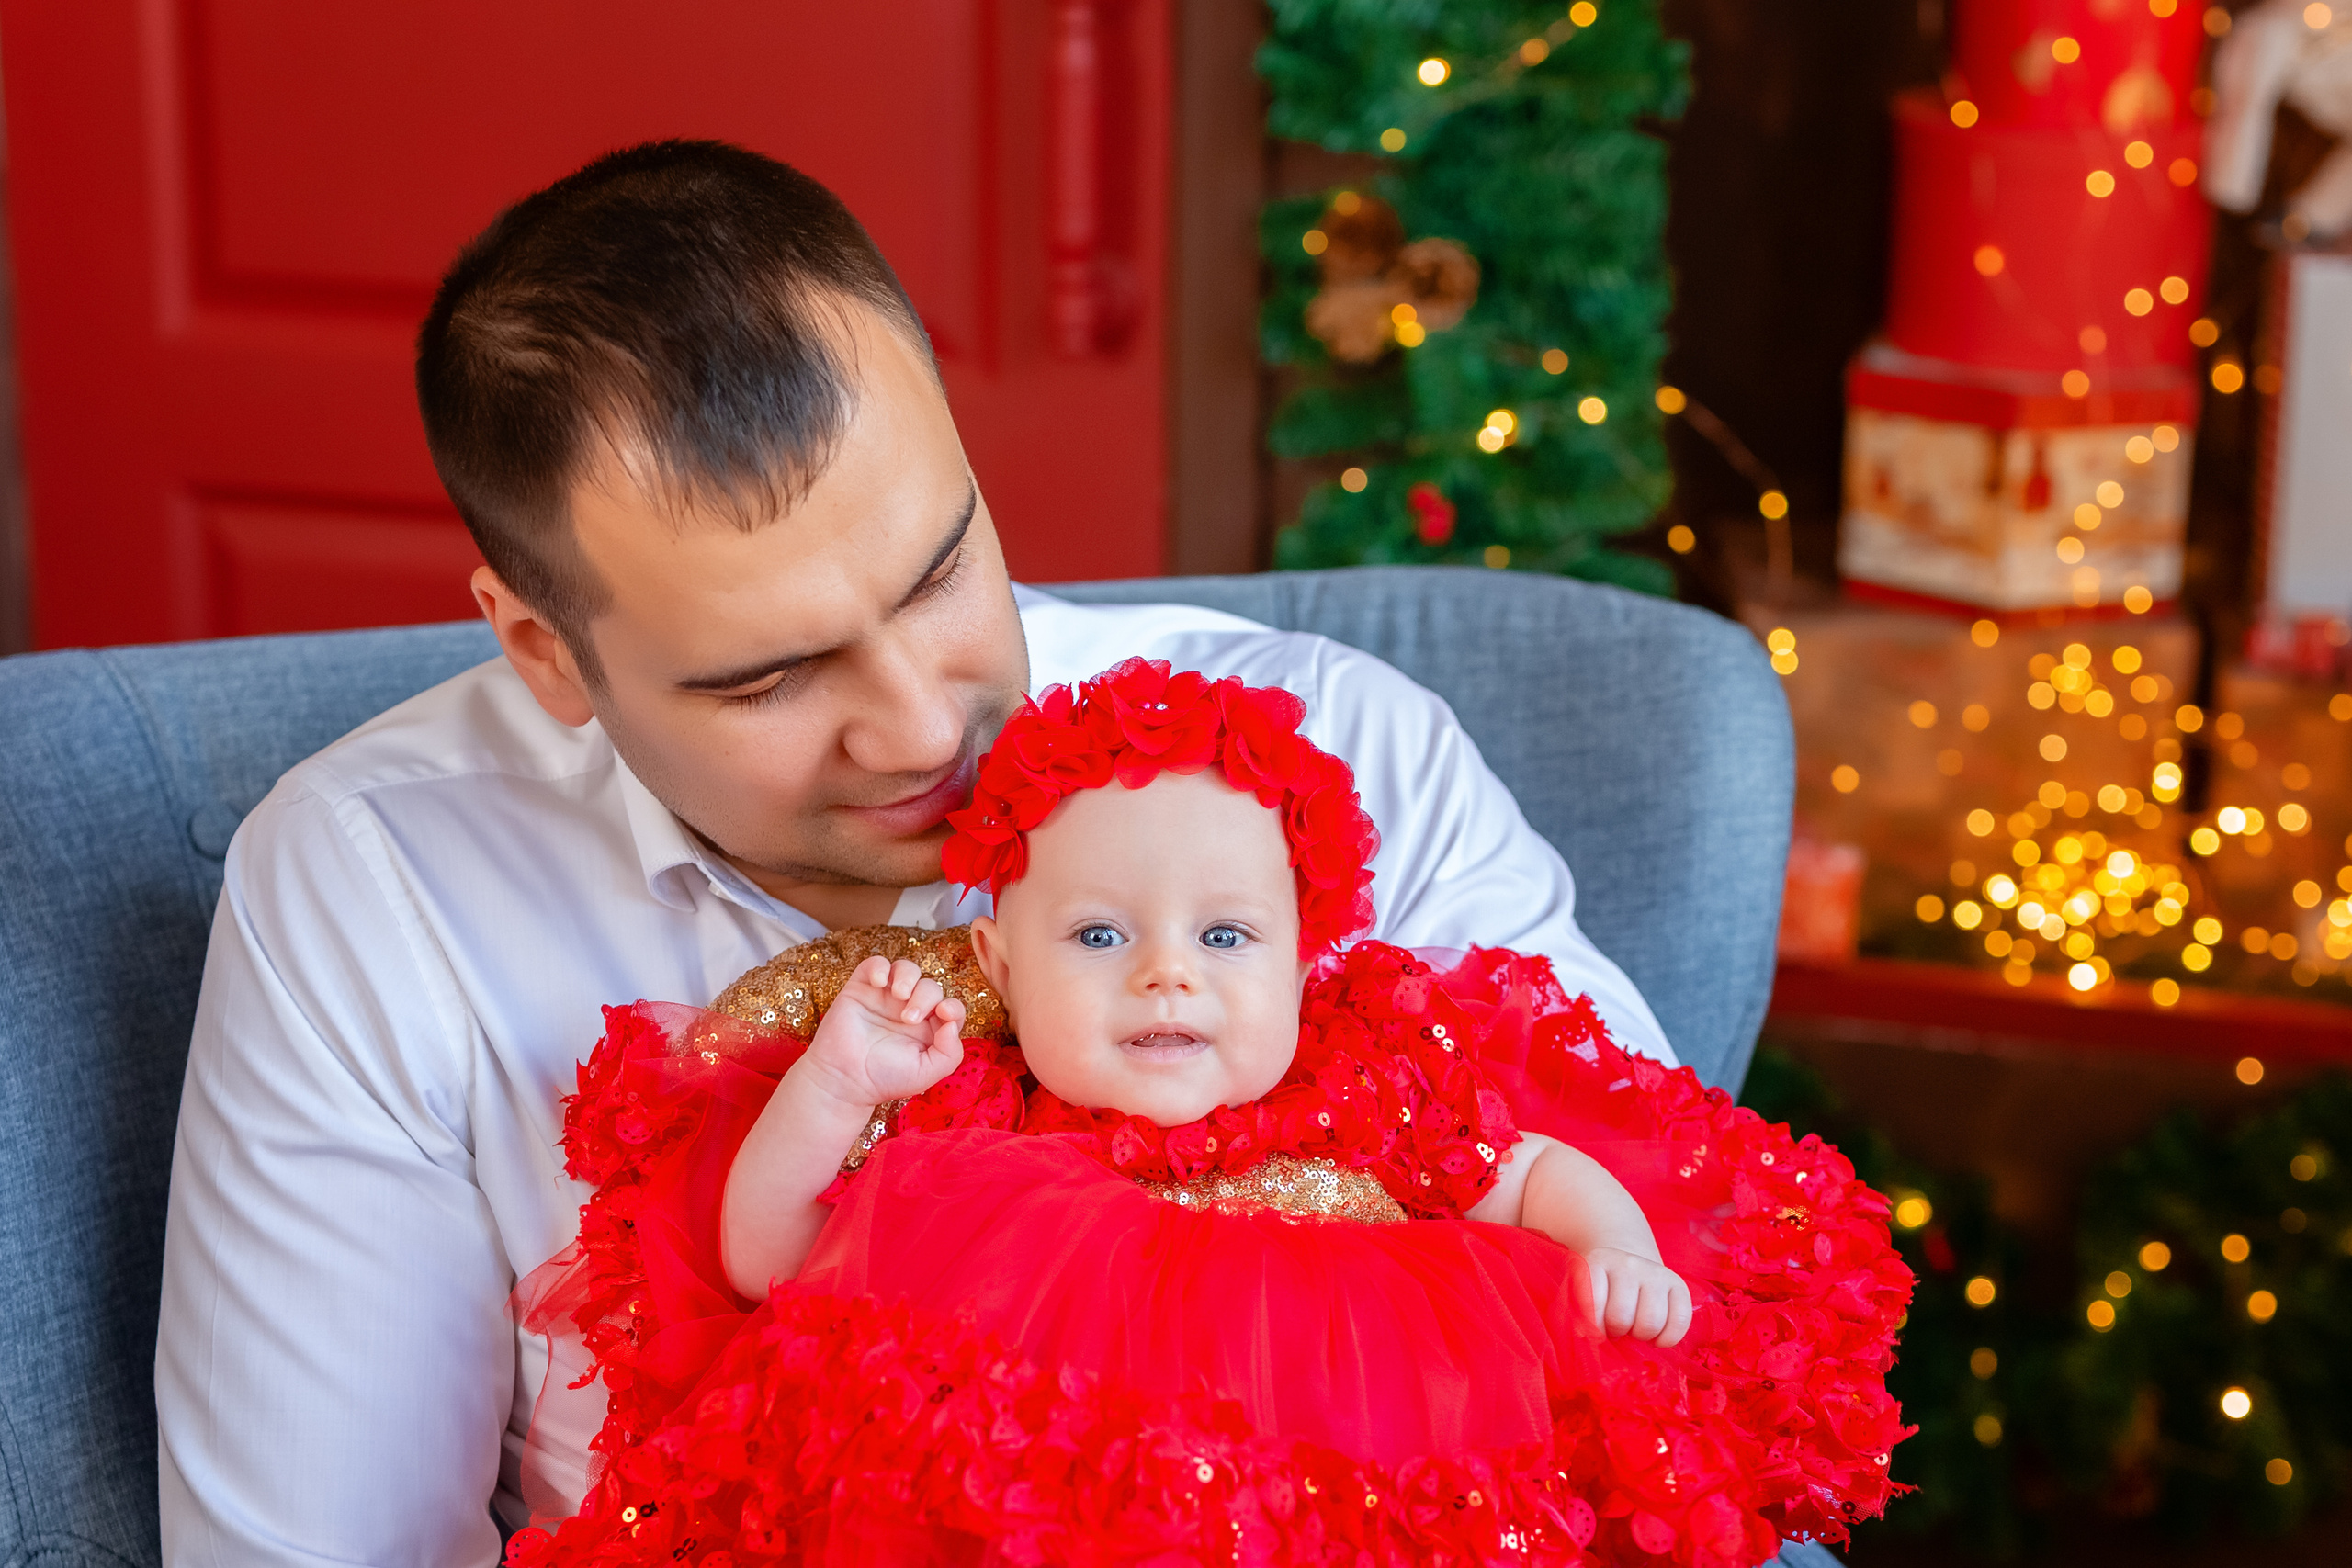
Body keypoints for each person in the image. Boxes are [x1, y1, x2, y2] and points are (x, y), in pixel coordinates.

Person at [155, 141, 1684, 1568]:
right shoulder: (372, 890)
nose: (914, 729)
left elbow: (1666, 1315)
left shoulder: (1336, 752)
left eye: (941, 569)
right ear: (545, 651)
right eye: (769, 677)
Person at [503, 662, 1909, 1567]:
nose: (1168, 969)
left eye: (1227, 940)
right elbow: (761, 1260)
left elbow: (1534, 1171)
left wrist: (1621, 1254)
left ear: (1305, 962)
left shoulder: (1362, 1097)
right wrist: (836, 1085)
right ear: (997, 964)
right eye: (1101, 938)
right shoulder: (970, 1110)